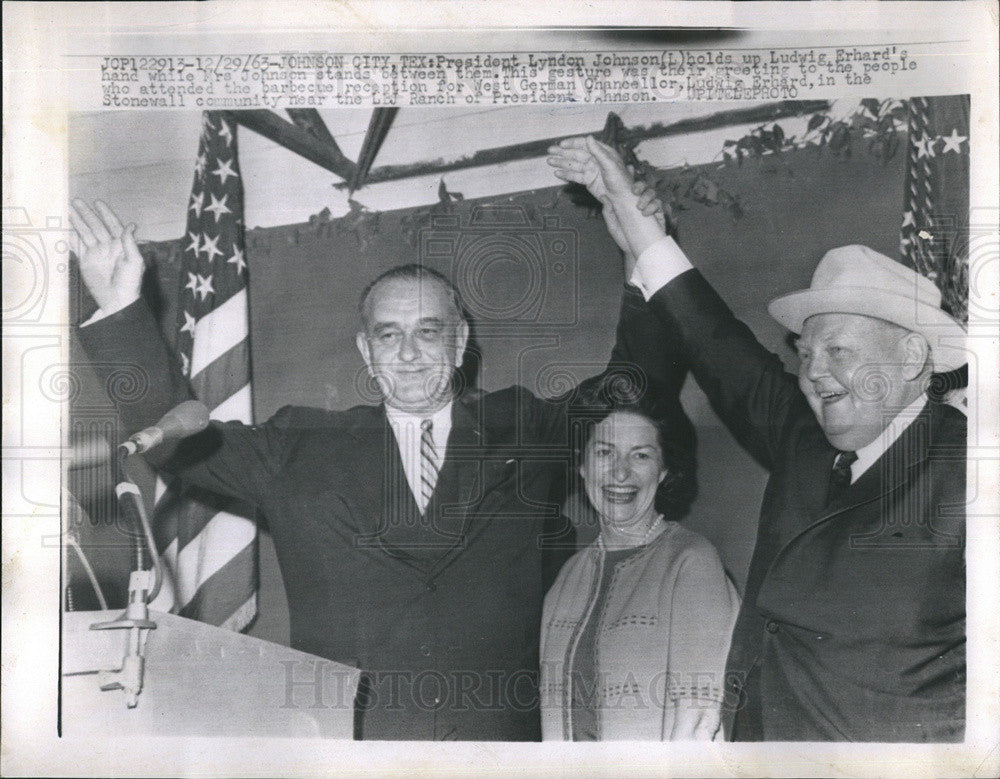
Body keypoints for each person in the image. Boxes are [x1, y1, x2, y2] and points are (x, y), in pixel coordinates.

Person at [68, 190, 687, 741]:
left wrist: (645, 248)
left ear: (461, 342)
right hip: (354, 745)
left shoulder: (523, 427)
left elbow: (637, 387)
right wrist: (120, 306)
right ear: (366, 348)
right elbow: (175, 443)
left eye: (430, 331)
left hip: (498, 743)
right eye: (389, 335)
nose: (411, 354)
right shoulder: (298, 444)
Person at [547, 136, 967, 742]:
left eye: (839, 350)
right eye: (806, 350)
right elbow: (716, 343)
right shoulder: (805, 440)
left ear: (909, 357)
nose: (814, 371)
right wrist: (641, 230)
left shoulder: (968, 470)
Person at [540, 399, 739, 741]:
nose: (620, 473)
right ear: (582, 466)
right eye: (604, 453)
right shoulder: (567, 576)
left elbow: (696, 725)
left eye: (641, 455)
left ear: (663, 471)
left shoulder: (692, 562)